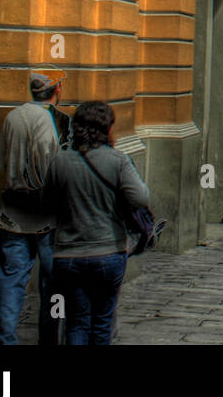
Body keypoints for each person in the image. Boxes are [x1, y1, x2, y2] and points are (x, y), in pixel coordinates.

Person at [43, 100, 151, 345]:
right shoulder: (118, 160)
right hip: (108, 251)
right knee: (101, 323)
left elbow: (47, 203)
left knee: (76, 322)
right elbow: (142, 197)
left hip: (68, 253)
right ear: (107, 128)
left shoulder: (60, 161)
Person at [0, 68, 68, 345]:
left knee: (11, 280)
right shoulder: (49, 121)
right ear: (57, 90)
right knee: (51, 284)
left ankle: (7, 339)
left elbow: (2, 159)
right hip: (45, 213)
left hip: (13, 210)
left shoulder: (13, 116)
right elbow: (51, 163)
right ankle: (48, 341)